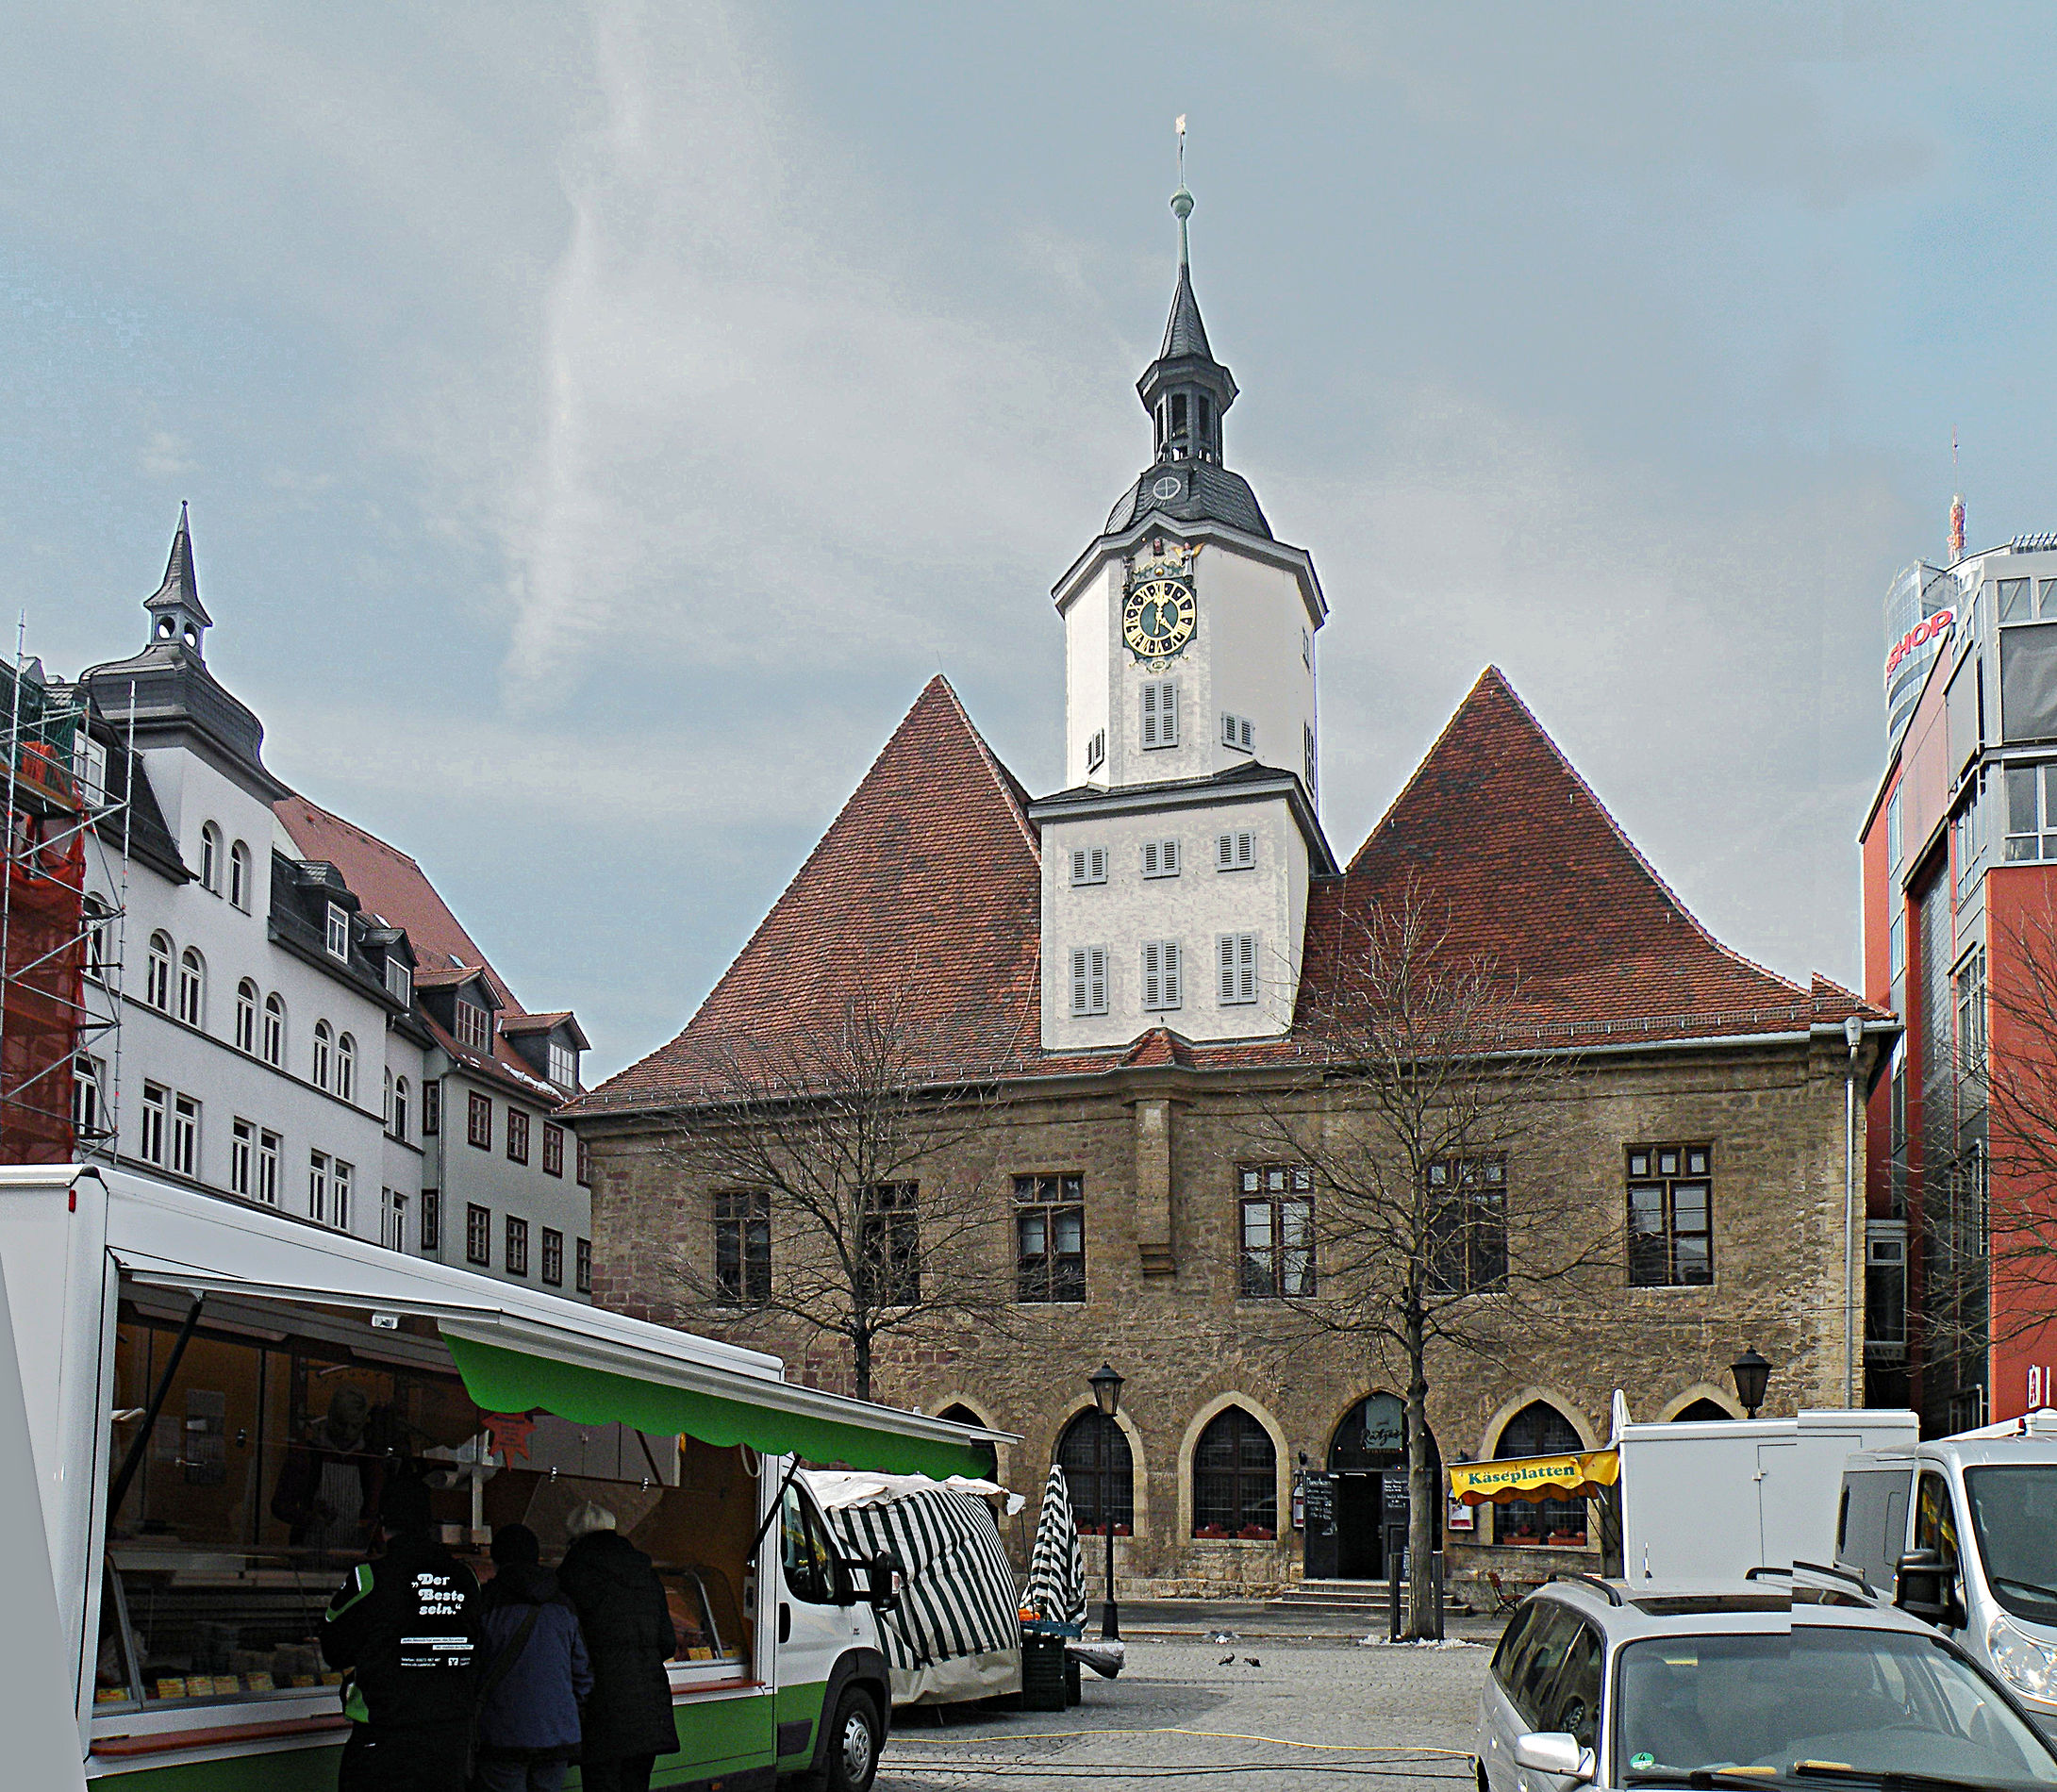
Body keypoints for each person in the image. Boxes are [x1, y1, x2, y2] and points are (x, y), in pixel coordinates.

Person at [320, 1474, 482, 1792]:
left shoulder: (369, 1577)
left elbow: (333, 1651)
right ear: (429, 1525)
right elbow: (478, 1647)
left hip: (384, 1738)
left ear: (383, 1526)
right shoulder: (466, 1578)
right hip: (450, 1739)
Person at [556, 1501, 679, 1792]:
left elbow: (565, 1650)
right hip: (647, 1710)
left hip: (599, 1711)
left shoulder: (570, 1576)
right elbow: (667, 1643)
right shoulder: (645, 1573)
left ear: (574, 1539)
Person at [474, 1522, 592, 1792]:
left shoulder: (486, 1602)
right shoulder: (563, 1603)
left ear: (496, 1559)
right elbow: (582, 1673)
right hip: (557, 1733)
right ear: (536, 1557)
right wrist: (565, 1709)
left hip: (501, 1734)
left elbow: (472, 1668)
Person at [272, 1386, 385, 1552]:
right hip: (308, 1557)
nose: (347, 1432)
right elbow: (279, 1506)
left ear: (363, 1424)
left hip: (354, 1558)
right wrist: (308, 1518)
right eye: (341, 1424)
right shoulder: (306, 1454)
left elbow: (375, 1514)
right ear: (330, 1417)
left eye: (354, 1426)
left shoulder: (370, 1462)